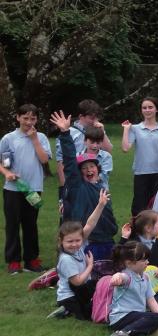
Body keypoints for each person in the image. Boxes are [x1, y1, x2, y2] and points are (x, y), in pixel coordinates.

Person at [53, 111, 119, 261]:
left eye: (92, 167)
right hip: (87, 240)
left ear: (98, 169)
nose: (89, 170)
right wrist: (65, 133)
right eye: (84, 168)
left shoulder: (102, 188)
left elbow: (108, 215)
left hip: (107, 238)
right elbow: (69, 160)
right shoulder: (78, 186)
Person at [1, 104, 51, 273]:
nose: (29, 122)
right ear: (18, 117)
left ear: (37, 119)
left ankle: (32, 260)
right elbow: (2, 163)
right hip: (13, 189)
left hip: (33, 189)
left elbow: (44, 159)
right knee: (12, 224)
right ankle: (14, 261)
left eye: (33, 118)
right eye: (25, 118)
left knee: (31, 224)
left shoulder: (42, 137)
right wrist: (6, 173)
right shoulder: (9, 138)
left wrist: (34, 139)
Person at [52, 188, 107, 320]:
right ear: (61, 241)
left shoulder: (79, 246)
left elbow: (90, 224)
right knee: (90, 315)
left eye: (78, 240)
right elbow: (77, 282)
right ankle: (65, 309)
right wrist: (90, 266)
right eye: (70, 241)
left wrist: (100, 205)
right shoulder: (66, 258)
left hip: (82, 289)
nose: (75, 244)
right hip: (70, 296)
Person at [106, 242, 158, 336]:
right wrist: (117, 277)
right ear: (129, 263)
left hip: (137, 315)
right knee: (156, 317)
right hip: (122, 318)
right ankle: (121, 334)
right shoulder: (127, 276)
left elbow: (151, 300)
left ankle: (149, 329)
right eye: (144, 260)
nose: (147, 262)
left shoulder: (145, 277)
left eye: (147, 259)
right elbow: (121, 277)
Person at [121, 97, 158, 216]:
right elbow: (125, 148)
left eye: (150, 107)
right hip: (141, 172)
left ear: (156, 109)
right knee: (139, 206)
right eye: (144, 108)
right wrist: (126, 130)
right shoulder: (135, 128)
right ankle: (136, 232)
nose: (147, 110)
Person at [118, 210, 158, 320]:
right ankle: (147, 314)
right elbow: (119, 254)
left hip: (157, 283)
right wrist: (124, 238)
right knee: (137, 303)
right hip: (136, 283)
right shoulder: (133, 243)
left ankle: (152, 314)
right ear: (148, 228)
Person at [54, 99, 113, 200]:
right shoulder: (69, 133)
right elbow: (61, 161)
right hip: (76, 186)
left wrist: (102, 131)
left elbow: (108, 151)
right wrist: (65, 186)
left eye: (97, 118)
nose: (95, 121)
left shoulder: (97, 130)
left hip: (98, 188)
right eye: (92, 118)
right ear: (81, 117)